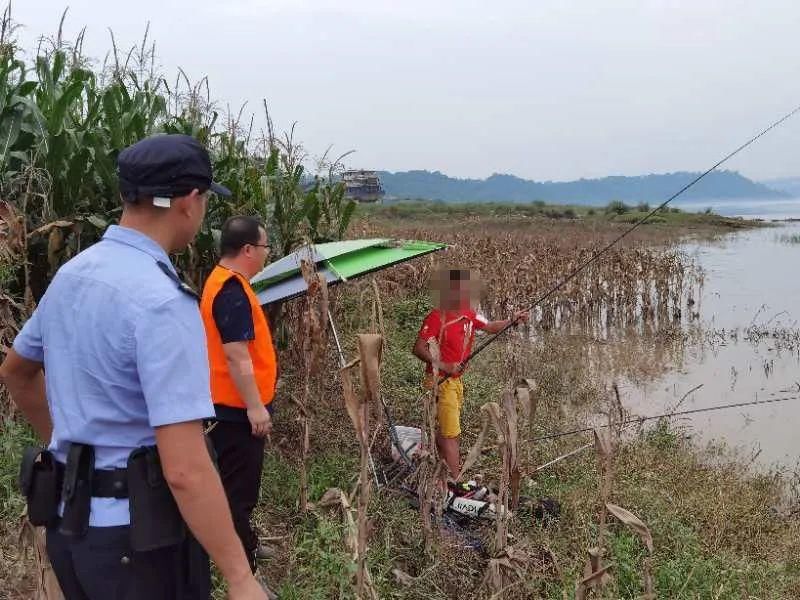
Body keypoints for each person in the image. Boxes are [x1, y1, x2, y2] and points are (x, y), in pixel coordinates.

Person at [0, 134, 267, 600]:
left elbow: (16, 372)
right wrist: (241, 578)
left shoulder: (74, 275)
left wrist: (64, 443)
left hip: (69, 526)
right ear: (188, 201)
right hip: (138, 543)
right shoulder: (162, 301)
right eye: (204, 199)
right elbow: (184, 469)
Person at [200, 216, 277, 573]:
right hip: (235, 409)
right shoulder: (231, 290)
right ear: (248, 249)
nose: (266, 254)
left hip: (229, 404)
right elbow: (236, 354)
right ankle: (241, 569)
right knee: (238, 491)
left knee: (235, 486)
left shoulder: (223, 281)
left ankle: (246, 543)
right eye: (264, 247)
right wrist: (256, 407)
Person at [412, 268, 528, 480]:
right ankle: (455, 480)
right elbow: (419, 348)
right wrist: (445, 366)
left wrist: (512, 320)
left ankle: (442, 467)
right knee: (452, 434)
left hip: (456, 382)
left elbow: (491, 326)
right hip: (440, 381)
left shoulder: (469, 313)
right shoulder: (438, 316)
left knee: (447, 428)